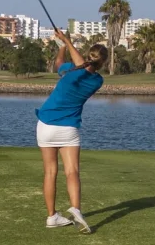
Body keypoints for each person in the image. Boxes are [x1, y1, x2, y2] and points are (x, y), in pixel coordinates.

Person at [36, 28, 108, 233]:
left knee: (50, 172)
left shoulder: (71, 71)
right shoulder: (97, 81)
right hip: (68, 128)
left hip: (46, 124)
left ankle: (52, 217)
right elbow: (74, 65)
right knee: (72, 171)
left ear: (88, 56)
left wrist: (64, 43)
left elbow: (60, 64)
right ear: (103, 63)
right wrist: (65, 44)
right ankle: (76, 209)